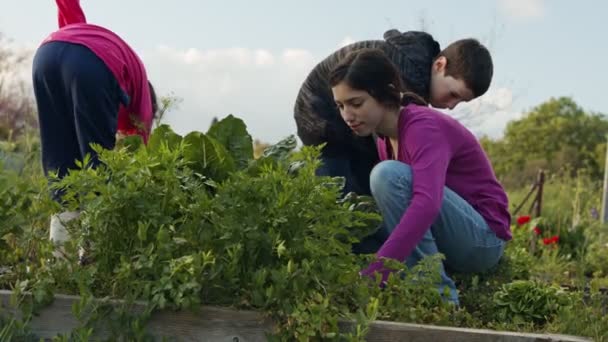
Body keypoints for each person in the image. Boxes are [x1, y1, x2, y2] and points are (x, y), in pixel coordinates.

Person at [329, 48, 511, 304]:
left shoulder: (421, 127)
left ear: (384, 93)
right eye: (340, 106)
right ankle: (415, 287)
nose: (347, 116)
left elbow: (426, 205)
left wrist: (377, 273)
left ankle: (440, 298)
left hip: (483, 240)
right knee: (372, 206)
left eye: (356, 103)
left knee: (386, 176)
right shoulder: (384, 138)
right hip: (454, 236)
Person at [294, 29, 493, 197]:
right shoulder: (407, 77)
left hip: (353, 128)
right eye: (453, 94)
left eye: (460, 102)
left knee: (373, 198)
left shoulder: (415, 68)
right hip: (321, 119)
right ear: (439, 65)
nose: (451, 106)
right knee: (340, 203)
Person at [33, 0, 157, 255]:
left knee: (60, 161)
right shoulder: (142, 91)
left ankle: (59, 261)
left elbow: (70, 16)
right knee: (98, 165)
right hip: (92, 63)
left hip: (46, 55)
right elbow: (139, 146)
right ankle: (92, 258)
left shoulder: (93, 38)